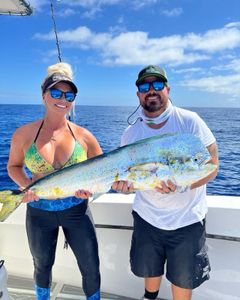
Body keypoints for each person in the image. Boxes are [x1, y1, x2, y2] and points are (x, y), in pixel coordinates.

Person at [112, 65, 218, 300]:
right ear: (138, 93)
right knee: (150, 269)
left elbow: (212, 165)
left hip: (187, 219)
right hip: (147, 217)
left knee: (183, 278)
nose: (151, 90)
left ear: (168, 89)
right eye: (144, 86)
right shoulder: (130, 133)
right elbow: (129, 177)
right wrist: (124, 187)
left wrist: (185, 184)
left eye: (157, 85)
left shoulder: (190, 121)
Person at [7, 62, 102, 300]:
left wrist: (90, 190)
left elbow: (103, 171)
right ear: (43, 95)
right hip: (39, 211)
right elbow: (13, 167)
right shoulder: (24, 134)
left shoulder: (84, 135)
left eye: (69, 94)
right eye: (56, 92)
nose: (63, 99)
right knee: (42, 265)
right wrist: (26, 186)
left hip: (76, 210)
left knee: (90, 266)